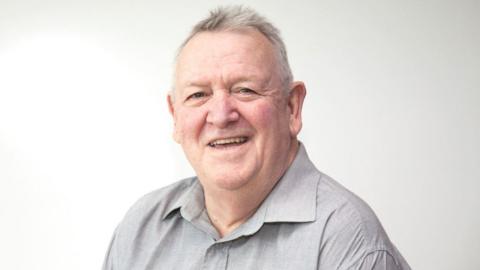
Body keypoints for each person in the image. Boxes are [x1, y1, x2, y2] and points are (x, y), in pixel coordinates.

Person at [103, 6, 410, 270]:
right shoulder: (140, 229)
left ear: (291, 107)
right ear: (175, 117)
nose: (221, 115)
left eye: (245, 90)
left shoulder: (348, 240)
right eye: (198, 95)